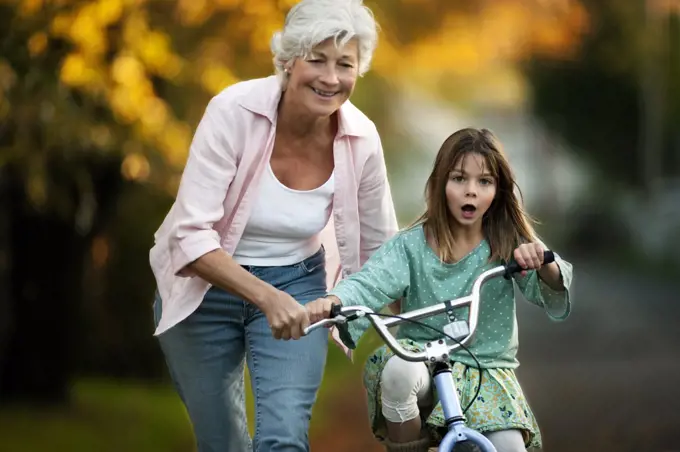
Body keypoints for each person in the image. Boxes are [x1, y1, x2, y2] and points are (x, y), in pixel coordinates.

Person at [148, 0, 398, 450]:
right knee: (222, 442)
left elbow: (383, 248)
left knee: (283, 439)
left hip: (298, 285)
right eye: (316, 59)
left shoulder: (361, 139)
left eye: (345, 64)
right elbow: (189, 236)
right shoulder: (233, 111)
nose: (330, 77)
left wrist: (406, 322)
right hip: (205, 289)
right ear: (287, 60)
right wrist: (266, 297)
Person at [306, 128, 574, 452]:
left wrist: (542, 261)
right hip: (421, 361)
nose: (470, 191)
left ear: (498, 190)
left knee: (509, 448)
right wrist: (335, 300)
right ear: (440, 184)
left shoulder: (507, 243)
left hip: (485, 371)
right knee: (397, 376)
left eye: (484, 182)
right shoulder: (410, 246)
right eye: (459, 179)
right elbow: (370, 281)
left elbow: (555, 279)